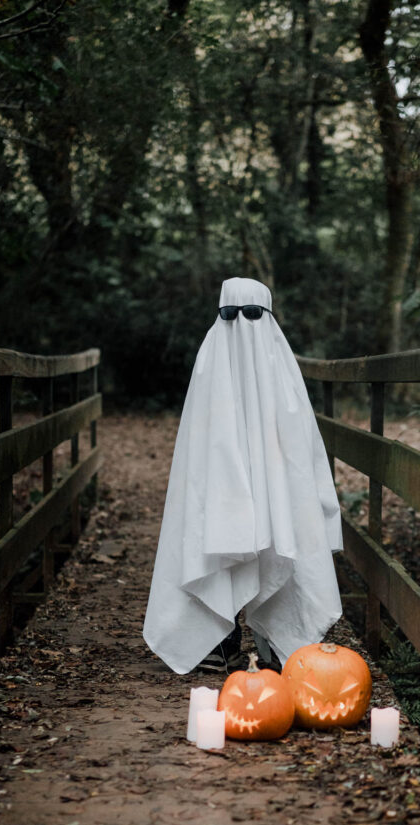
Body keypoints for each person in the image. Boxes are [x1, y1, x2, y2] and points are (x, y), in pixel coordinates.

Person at [143, 276, 342, 675]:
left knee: (281, 517)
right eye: (230, 315)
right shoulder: (209, 369)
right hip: (222, 491)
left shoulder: (281, 373)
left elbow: (303, 451)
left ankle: (277, 637)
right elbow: (197, 456)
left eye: (252, 315)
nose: (241, 326)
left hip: (275, 480)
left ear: (266, 316)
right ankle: (219, 635)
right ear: (219, 316)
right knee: (218, 522)